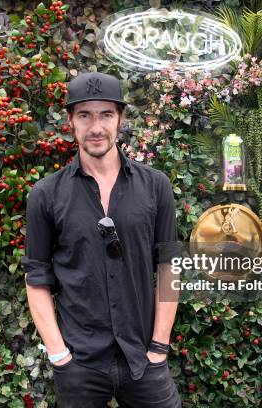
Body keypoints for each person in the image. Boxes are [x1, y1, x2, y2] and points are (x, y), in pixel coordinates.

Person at [21, 72, 181, 408]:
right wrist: (59, 354)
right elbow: (36, 277)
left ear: (120, 119)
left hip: (143, 361)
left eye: (106, 114)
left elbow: (169, 266)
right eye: (85, 115)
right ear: (71, 122)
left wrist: (159, 346)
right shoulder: (45, 194)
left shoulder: (156, 186)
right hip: (80, 364)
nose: (96, 127)